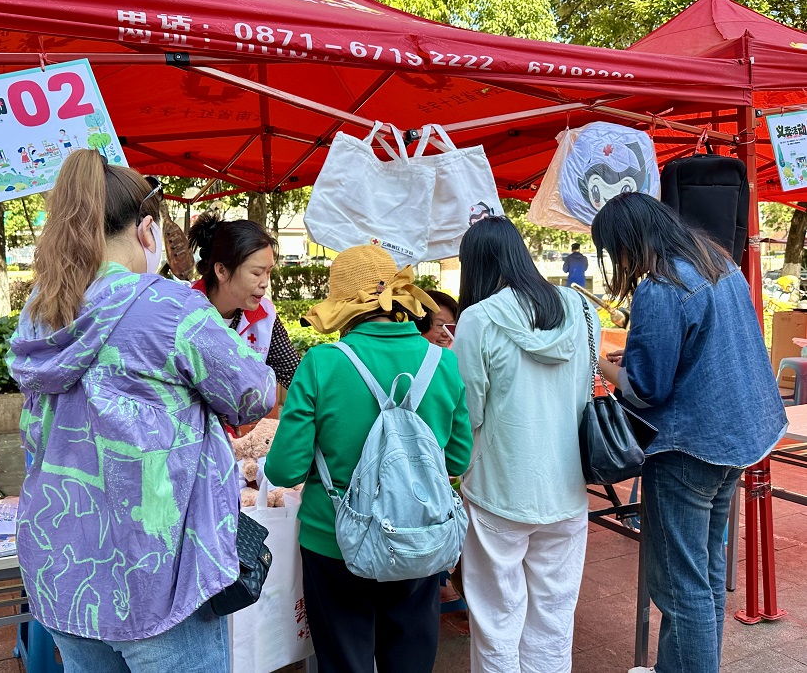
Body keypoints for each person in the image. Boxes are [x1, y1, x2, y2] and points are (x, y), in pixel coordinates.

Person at [7, 149, 276, 673]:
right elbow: (254, 393)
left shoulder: (41, 309)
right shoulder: (170, 307)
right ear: (146, 230)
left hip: (62, 570)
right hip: (158, 571)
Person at [592, 193, 787, 673]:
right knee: (705, 574)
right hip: (737, 439)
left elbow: (645, 388)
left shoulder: (662, 285)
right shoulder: (718, 263)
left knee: (681, 589)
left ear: (627, 243)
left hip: (687, 448)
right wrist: (636, 356)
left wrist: (597, 362)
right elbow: (703, 348)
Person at [264, 245, 473, 673]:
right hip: (419, 536)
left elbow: (284, 469)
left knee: (344, 663)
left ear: (342, 306)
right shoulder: (442, 362)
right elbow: (457, 460)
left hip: (333, 540)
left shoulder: (322, 363)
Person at [451, 215, 596, 673]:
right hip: (567, 486)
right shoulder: (580, 309)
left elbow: (468, 412)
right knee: (554, 618)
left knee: (496, 619)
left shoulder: (477, 319)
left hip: (498, 488)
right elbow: (585, 386)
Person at [189, 212, 300, 389]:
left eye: (268, 272)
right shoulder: (182, 308)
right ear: (221, 271)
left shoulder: (265, 316)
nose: (265, 283)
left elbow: (295, 376)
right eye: (256, 273)